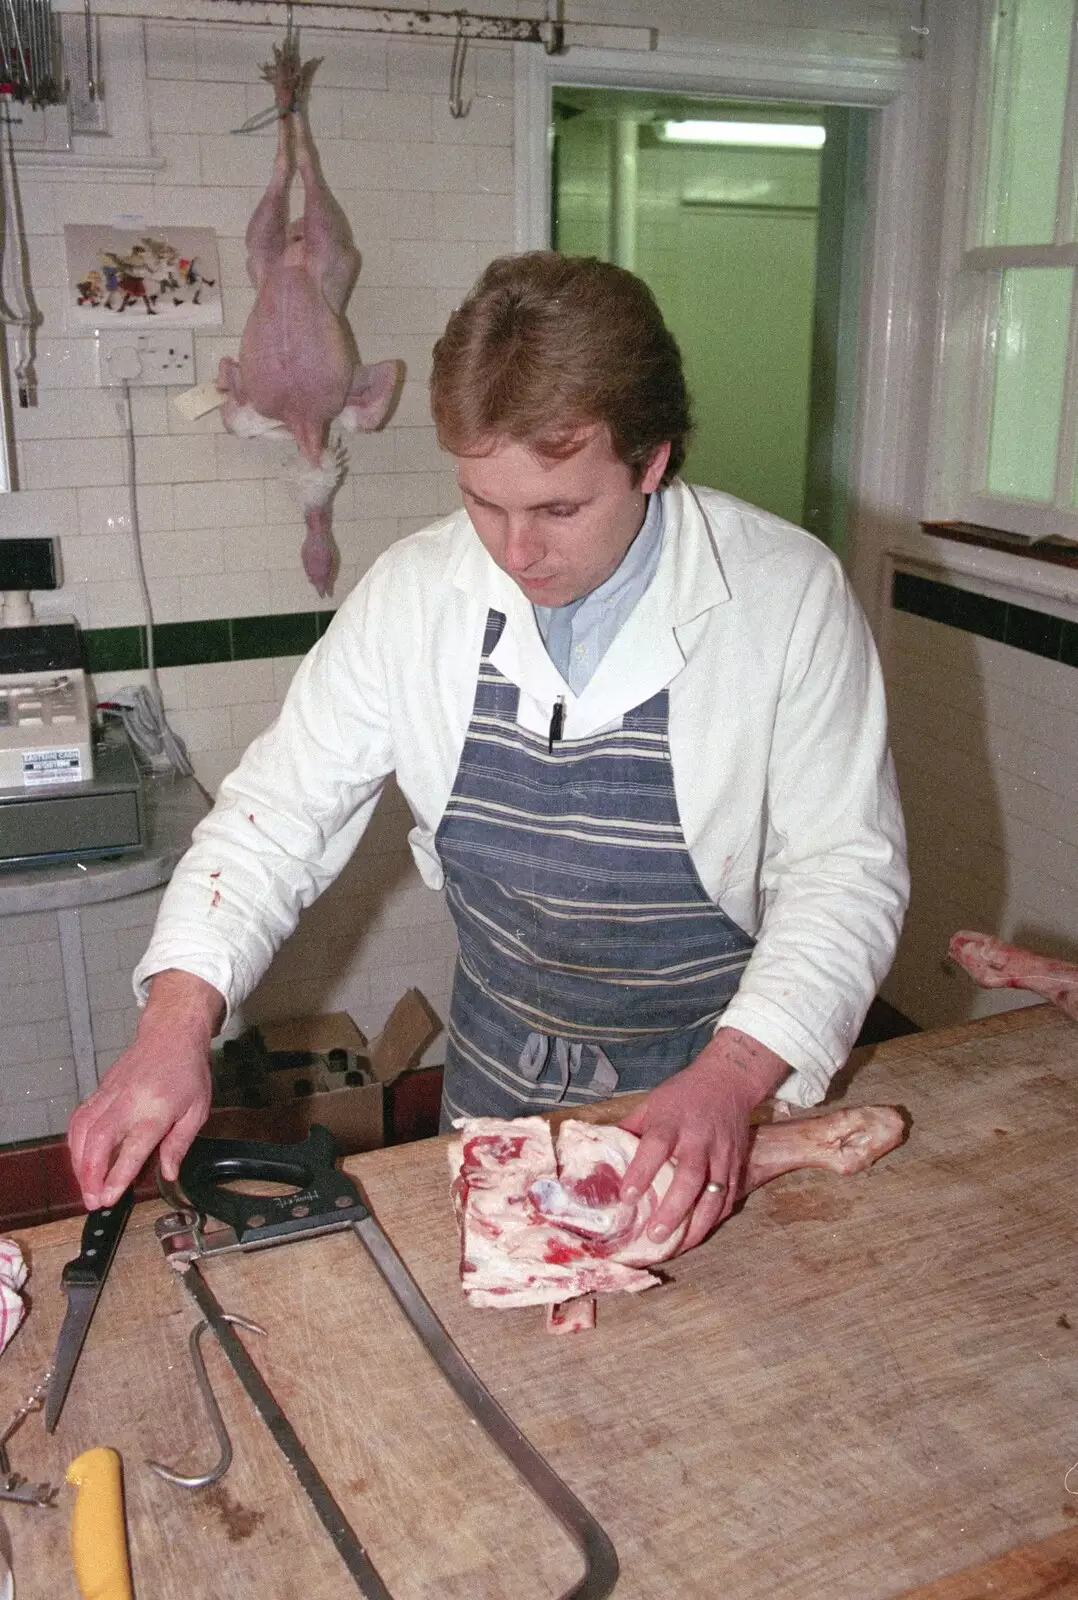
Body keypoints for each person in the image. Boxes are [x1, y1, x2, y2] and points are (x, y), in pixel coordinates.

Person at [68, 252, 909, 1254]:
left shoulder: (783, 595)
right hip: (495, 1072)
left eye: (558, 508)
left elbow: (842, 872)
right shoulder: (415, 593)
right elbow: (276, 818)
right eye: (482, 500)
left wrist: (732, 1078)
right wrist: (173, 1022)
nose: (514, 552)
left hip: (720, 1079)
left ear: (653, 461)